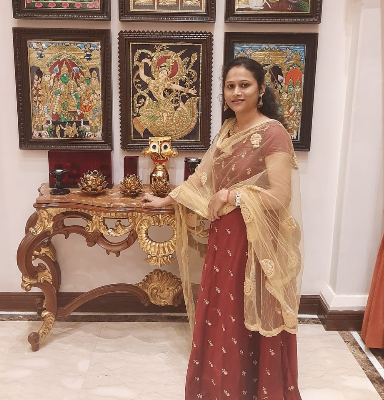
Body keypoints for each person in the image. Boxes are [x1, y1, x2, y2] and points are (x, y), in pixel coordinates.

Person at [142, 56, 304, 399]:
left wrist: (233, 195)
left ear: (261, 89)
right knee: (223, 312)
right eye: (230, 86)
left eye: (244, 85)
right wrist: (166, 199)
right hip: (225, 236)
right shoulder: (228, 129)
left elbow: (280, 196)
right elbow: (201, 178)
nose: (236, 92)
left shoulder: (273, 133)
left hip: (254, 241)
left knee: (246, 312)